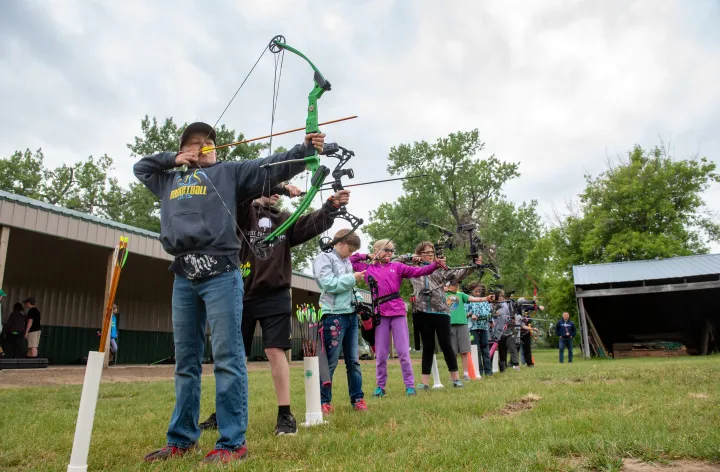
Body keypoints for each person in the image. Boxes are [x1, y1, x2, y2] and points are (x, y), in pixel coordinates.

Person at [134, 119, 325, 464]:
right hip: (183, 273)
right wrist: (172, 158)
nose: (201, 146)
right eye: (193, 142)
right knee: (186, 361)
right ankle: (181, 439)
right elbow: (141, 167)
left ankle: (232, 443)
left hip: (221, 270)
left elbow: (271, 166)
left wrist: (306, 150)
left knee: (228, 357)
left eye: (207, 141)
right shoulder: (169, 179)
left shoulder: (231, 173)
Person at [199, 183, 351, 436]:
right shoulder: (242, 211)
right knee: (233, 355)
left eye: (279, 190)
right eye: (271, 186)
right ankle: (222, 412)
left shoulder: (284, 219)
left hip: (276, 293)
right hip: (239, 291)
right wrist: (274, 183)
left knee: (274, 350)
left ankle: (284, 415)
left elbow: (311, 223)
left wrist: (331, 205)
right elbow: (239, 189)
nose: (276, 193)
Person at [350, 239, 444, 397]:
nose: (390, 253)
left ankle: (409, 386)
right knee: (380, 353)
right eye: (386, 250)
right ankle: (380, 387)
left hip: (398, 311)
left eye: (392, 251)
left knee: (403, 352)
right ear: (378, 251)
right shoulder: (367, 268)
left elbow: (418, 272)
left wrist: (435, 265)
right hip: (380, 313)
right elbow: (350, 260)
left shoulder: (397, 266)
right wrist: (368, 255)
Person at [397, 242, 481, 390]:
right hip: (422, 311)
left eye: (432, 252)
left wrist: (473, 265)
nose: (430, 254)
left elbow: (457, 274)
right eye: (426, 252)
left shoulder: (439, 268)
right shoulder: (412, 268)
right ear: (419, 254)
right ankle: (424, 383)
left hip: (441, 311)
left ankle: (455, 379)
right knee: (428, 347)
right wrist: (411, 257)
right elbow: (395, 262)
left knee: (446, 345)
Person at [312, 229, 368, 413]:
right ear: (340, 243)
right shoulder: (324, 258)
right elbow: (328, 284)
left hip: (351, 314)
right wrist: (352, 279)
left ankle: (358, 399)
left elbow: (348, 288)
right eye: (350, 250)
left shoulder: (345, 261)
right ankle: (323, 401)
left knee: (354, 360)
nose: (351, 254)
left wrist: (359, 298)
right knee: (330, 361)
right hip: (334, 315)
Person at [444, 280, 493, 381]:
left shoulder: (461, 294)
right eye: (454, 285)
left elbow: (474, 299)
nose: (456, 286)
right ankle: (453, 376)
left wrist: (486, 298)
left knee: (465, 350)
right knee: (452, 352)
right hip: (449, 325)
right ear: (448, 286)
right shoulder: (443, 294)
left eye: (457, 284)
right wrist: (443, 289)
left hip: (462, 324)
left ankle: (466, 374)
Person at [466, 283, 493, 377]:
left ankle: (488, 372)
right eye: (476, 290)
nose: (478, 292)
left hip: (484, 328)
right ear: (472, 290)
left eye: (480, 290)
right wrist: (470, 314)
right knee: (475, 349)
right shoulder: (468, 300)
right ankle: (478, 371)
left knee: (485, 349)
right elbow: (465, 313)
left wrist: (491, 321)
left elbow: (489, 312)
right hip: (473, 328)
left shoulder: (485, 301)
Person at [491, 293, 519, 372]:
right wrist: (494, 313)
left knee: (502, 349)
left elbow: (508, 316)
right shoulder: (491, 304)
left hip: (502, 330)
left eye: (503, 296)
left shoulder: (506, 305)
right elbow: (490, 315)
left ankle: (502, 368)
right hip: (493, 330)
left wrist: (508, 322)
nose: (502, 298)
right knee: (492, 349)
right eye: (500, 296)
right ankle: (491, 367)